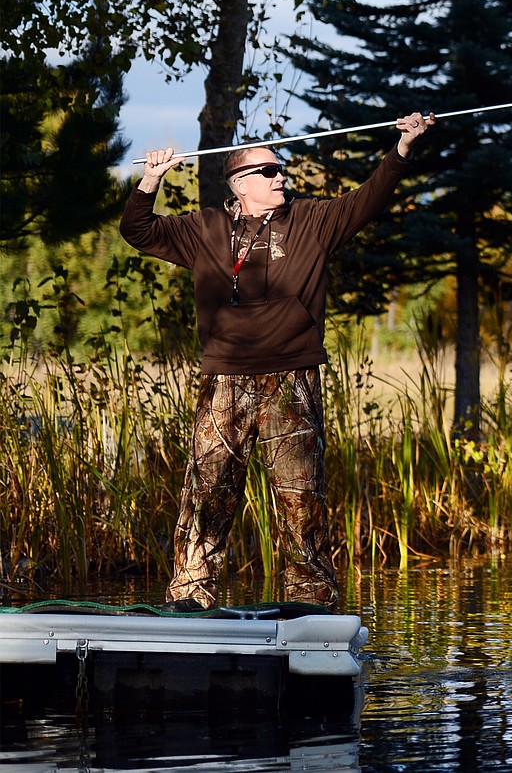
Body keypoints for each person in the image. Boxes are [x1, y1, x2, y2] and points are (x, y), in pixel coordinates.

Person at [120, 112, 436, 612]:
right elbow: (137, 230)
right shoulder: (204, 229)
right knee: (208, 494)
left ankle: (311, 608)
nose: (281, 176)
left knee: (300, 499)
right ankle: (189, 601)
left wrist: (402, 149)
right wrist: (152, 179)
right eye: (268, 171)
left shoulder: (311, 220)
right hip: (225, 379)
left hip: (292, 378)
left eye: (281, 168)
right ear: (240, 183)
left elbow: (367, 200)